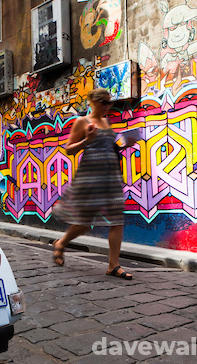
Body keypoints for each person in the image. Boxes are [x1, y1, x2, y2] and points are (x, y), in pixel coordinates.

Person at [52, 89, 136, 279]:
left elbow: (108, 147)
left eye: (109, 102)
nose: (107, 106)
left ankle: (113, 265)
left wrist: (124, 144)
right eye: (103, 102)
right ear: (92, 102)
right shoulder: (82, 122)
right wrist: (86, 141)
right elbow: (69, 150)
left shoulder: (106, 122)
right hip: (90, 177)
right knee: (84, 223)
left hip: (111, 176)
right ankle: (61, 243)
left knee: (117, 219)